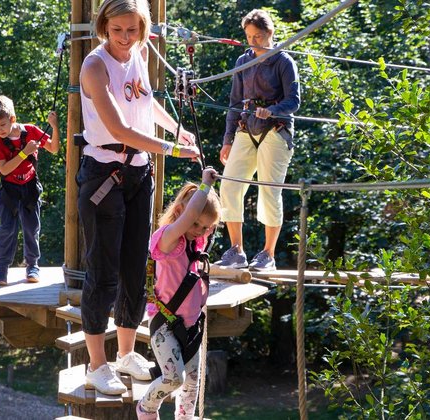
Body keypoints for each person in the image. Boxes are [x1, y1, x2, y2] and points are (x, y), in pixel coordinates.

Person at [77, 0, 201, 396]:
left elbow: (145, 103)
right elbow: (118, 126)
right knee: (103, 270)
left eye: (133, 30)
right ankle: (97, 364)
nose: (125, 38)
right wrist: (172, 150)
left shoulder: (140, 53)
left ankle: (126, 353)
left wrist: (176, 131)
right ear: (104, 27)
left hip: (139, 172)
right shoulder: (95, 66)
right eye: (117, 31)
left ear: (143, 30)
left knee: (135, 266)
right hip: (104, 173)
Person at [217, 9, 301, 272]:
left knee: (268, 191)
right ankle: (237, 251)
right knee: (229, 186)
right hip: (246, 128)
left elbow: (294, 101)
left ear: (271, 34)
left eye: (259, 36)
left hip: (275, 130)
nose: (254, 42)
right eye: (249, 36)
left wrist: (272, 110)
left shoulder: (284, 62)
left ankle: (268, 254)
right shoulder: (243, 61)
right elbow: (234, 103)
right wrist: (228, 139)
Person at [135, 168, 219, 420]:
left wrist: (213, 191)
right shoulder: (167, 239)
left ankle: (185, 418)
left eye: (206, 227)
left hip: (191, 324)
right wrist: (205, 186)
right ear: (182, 213)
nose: (199, 230)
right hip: (165, 324)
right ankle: (146, 407)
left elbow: (203, 219)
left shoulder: (197, 245)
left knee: (193, 381)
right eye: (195, 224)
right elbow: (190, 215)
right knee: (174, 378)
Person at [0, 95, 60, 286]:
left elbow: (53, 148)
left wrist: (55, 126)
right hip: (9, 190)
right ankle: (1, 269)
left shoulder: (31, 132)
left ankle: (32, 266)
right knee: (7, 230)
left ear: (12, 119)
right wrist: (23, 153)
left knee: (31, 228)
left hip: (29, 187)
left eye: (1, 125)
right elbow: (4, 169)